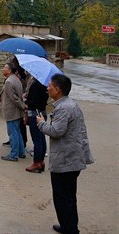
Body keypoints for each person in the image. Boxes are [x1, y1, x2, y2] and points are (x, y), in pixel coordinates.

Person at [37, 74, 93, 234]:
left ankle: (70, 229)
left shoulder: (63, 107)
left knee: (62, 197)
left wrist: (41, 124)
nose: (47, 88)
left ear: (58, 89)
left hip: (66, 160)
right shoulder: (70, 105)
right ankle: (69, 226)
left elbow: (56, 131)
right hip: (72, 158)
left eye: (50, 86)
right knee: (68, 196)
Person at [0, 63, 26, 161]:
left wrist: (23, 106)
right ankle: (21, 152)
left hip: (11, 111)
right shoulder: (16, 79)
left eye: (5, 68)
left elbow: (14, 99)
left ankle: (14, 155)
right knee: (17, 132)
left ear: (9, 70)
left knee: (13, 133)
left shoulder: (9, 81)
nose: (3, 69)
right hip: (16, 111)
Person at [24, 76, 49, 173]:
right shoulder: (45, 84)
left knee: (37, 139)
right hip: (42, 112)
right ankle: (41, 161)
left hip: (35, 113)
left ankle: (37, 162)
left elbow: (33, 102)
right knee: (41, 137)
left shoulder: (36, 85)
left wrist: (26, 100)